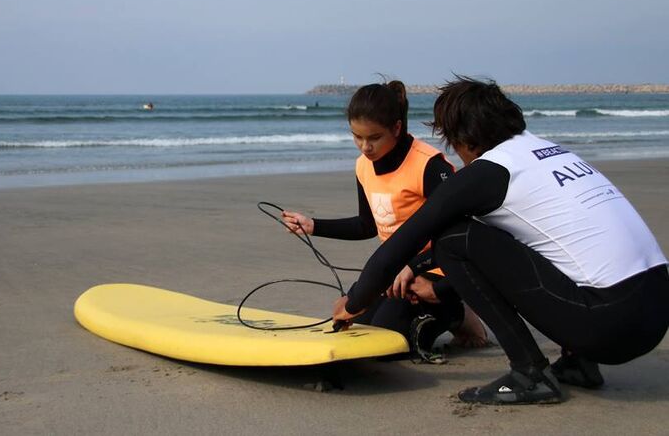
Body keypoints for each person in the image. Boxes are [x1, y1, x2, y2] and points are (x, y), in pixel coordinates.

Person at [332, 76, 669, 404]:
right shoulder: (551, 151)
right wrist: (416, 267)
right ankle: (579, 363)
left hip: (609, 326)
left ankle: (530, 373)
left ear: (464, 139)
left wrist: (353, 303)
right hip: (655, 310)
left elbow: (404, 241)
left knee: (452, 238)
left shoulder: (491, 170)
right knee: (545, 237)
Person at [282, 81, 488, 360]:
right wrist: (313, 226)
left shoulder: (428, 165)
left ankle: (458, 313)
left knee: (390, 341)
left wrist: (416, 268)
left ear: (396, 128)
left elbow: (459, 232)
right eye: (357, 137)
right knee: (358, 329)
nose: (365, 147)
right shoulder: (363, 166)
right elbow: (367, 225)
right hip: (391, 269)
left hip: (437, 269)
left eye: (374, 138)